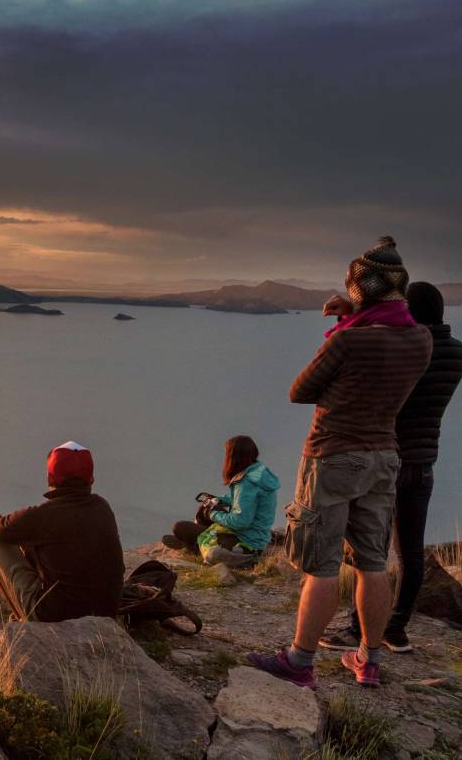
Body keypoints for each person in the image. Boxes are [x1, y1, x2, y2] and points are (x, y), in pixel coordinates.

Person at [249, 237, 431, 689]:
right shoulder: (421, 339)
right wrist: (354, 319)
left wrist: (347, 326)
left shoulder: (348, 342)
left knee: (322, 566)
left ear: (359, 287)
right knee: (372, 563)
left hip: (332, 456)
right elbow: (387, 342)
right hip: (384, 457)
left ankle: (299, 661)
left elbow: (300, 390)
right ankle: (368, 660)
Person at [320, 281, 462, 653]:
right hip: (424, 462)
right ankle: (396, 629)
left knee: (371, 552)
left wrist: (351, 317)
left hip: (387, 458)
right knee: (411, 553)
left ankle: (357, 630)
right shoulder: (455, 353)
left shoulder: (410, 352)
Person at [0, 441, 124, 622]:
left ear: (49, 478)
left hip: (55, 616)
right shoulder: (103, 507)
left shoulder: (45, 515)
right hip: (106, 612)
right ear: (91, 479)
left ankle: (24, 614)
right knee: (27, 539)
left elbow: (0, 528)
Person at [162, 436, 280, 567]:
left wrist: (212, 514)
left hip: (246, 543)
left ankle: (191, 544)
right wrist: (217, 500)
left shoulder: (246, 484)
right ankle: (192, 541)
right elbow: (240, 499)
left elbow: (239, 521)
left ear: (234, 457)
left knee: (180, 527)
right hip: (255, 537)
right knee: (204, 510)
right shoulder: (257, 472)